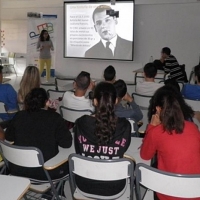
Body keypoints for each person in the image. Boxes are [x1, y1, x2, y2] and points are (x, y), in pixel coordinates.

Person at [140, 85, 200, 200]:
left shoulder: (156, 132)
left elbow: (145, 155)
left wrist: (151, 127)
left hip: (167, 194)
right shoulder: (193, 127)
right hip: (196, 192)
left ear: (158, 109)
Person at [74, 82, 131, 196]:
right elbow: (123, 150)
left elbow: (78, 150)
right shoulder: (125, 126)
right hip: (114, 186)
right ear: (115, 101)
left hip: (85, 184)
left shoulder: (80, 123)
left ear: (95, 101)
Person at [5, 88, 72, 180]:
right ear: (46, 102)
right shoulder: (55, 118)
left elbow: (9, 137)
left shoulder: (19, 115)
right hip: (47, 173)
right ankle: (55, 190)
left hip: (17, 170)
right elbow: (67, 144)